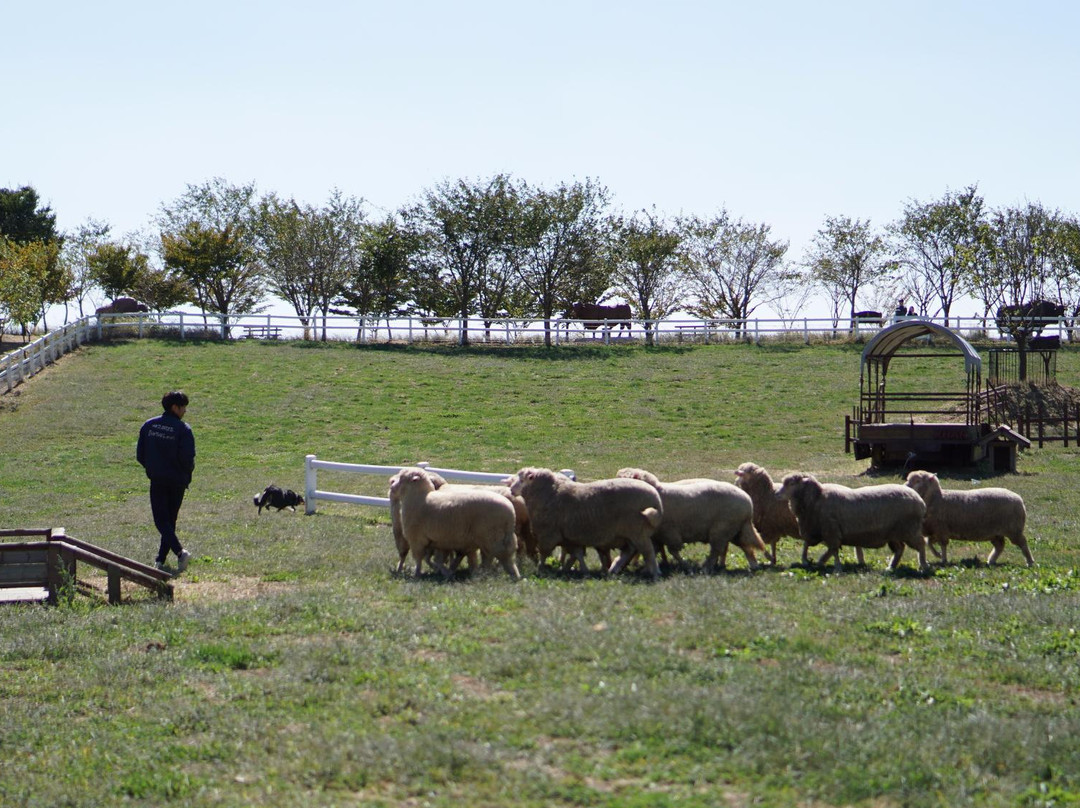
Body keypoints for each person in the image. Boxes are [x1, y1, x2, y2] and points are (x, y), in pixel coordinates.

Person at [137, 391, 195, 574]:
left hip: (158, 480)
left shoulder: (149, 425)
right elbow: (188, 458)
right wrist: (185, 473)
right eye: (183, 406)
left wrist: (153, 469)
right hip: (177, 481)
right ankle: (162, 559)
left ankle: (176, 554)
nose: (185, 410)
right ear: (174, 407)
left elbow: (140, 455)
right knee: (169, 520)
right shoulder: (183, 429)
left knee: (161, 521)